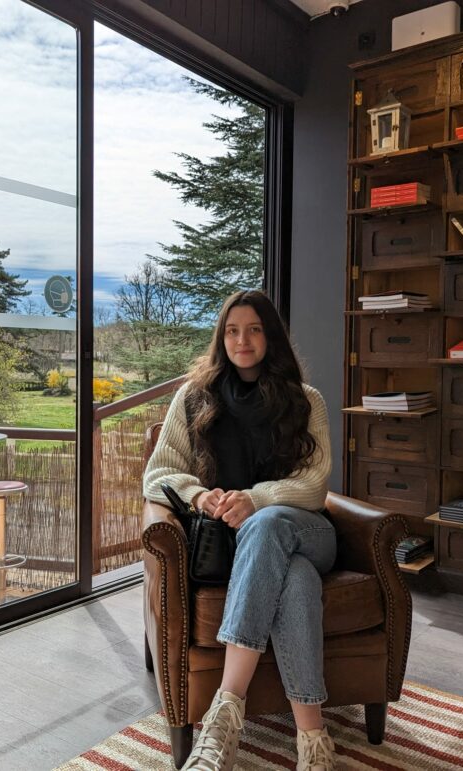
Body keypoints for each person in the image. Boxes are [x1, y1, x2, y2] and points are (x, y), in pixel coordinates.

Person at [143, 289, 336, 771]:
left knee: (269, 523)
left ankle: (225, 710)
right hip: (239, 547)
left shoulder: (307, 401)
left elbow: (313, 486)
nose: (241, 340)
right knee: (294, 582)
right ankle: (313, 742)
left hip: (308, 533)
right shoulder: (193, 397)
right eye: (232, 330)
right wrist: (200, 496)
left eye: (253, 329)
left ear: (270, 336)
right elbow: (158, 473)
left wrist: (258, 499)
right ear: (220, 337)